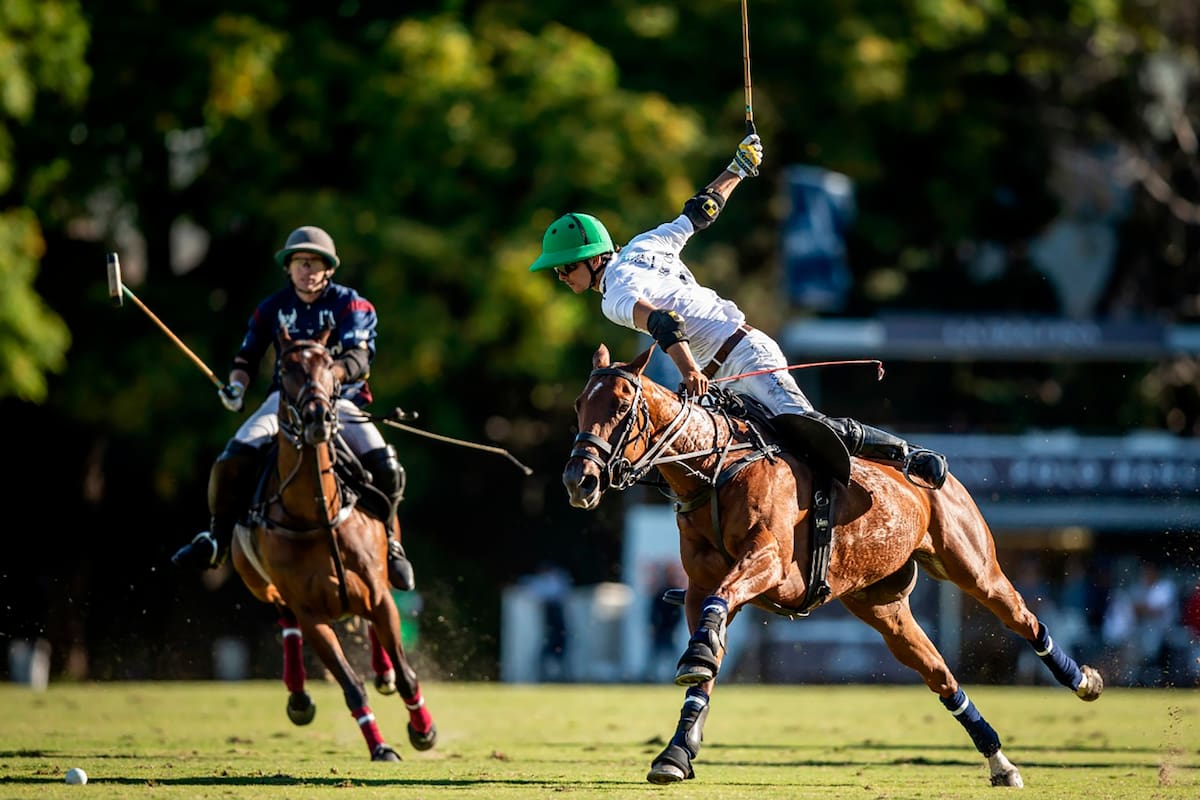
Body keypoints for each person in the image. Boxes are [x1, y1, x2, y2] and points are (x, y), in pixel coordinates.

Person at [528, 135, 947, 489]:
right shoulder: (644, 244)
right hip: (720, 379)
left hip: (744, 355)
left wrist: (689, 371)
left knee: (805, 427)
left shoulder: (614, 297)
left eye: (566, 267)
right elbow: (701, 210)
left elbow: (663, 322)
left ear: (594, 259)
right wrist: (739, 167)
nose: (561, 276)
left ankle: (907, 456)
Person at [171, 225, 416, 590]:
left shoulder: (351, 304)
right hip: (283, 403)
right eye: (300, 262)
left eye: (315, 263)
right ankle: (217, 539)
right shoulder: (272, 308)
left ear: (329, 269)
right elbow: (247, 356)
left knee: (387, 466)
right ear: (288, 268)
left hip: (340, 402)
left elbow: (359, 358)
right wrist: (236, 386)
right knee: (231, 457)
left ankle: (392, 546)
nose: (307, 270)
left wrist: (323, 378)